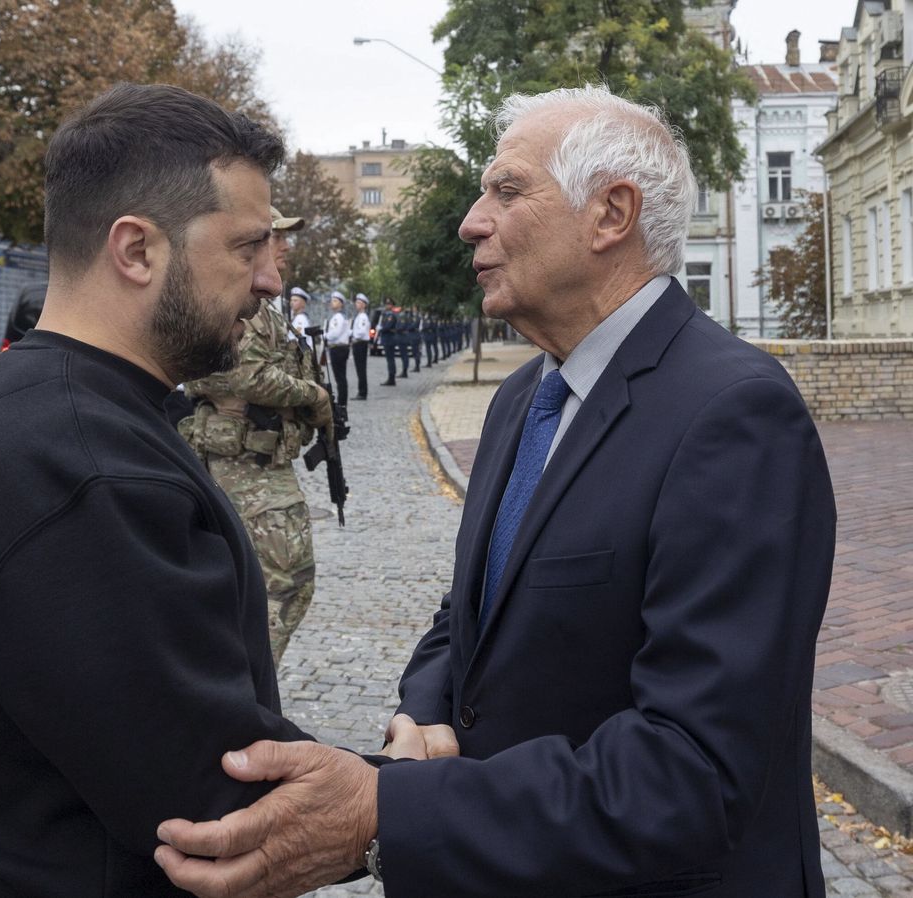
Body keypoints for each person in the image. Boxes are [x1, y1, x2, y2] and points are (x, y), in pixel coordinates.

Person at [154, 85, 836, 898]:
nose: (472, 220)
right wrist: (427, 714)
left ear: (610, 215)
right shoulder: (525, 398)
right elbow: (472, 611)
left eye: (506, 191)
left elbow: (693, 770)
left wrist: (389, 811)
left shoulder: (733, 414)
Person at [0, 83, 323, 896]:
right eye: (247, 246)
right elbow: (207, 803)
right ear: (136, 251)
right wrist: (405, 794)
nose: (271, 279)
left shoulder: (65, 405)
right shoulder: (81, 459)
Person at [181, 205, 331, 667]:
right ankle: (246, 686)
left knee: (264, 582)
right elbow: (241, 376)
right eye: (273, 236)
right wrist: (314, 396)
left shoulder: (265, 307)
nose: (284, 246)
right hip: (246, 467)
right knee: (286, 581)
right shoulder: (236, 302)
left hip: (258, 460)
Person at [323, 291, 351, 408]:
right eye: (332, 300)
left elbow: (335, 333)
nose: (332, 303)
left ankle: (342, 403)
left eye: (335, 301)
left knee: (340, 378)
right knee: (341, 377)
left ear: (341, 304)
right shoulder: (340, 316)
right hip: (340, 348)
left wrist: (324, 336)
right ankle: (342, 402)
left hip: (338, 349)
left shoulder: (337, 317)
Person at [350, 293, 371, 400]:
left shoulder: (363, 317)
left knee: (361, 369)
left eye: (359, 303)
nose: (356, 304)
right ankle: (361, 391)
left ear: (364, 305)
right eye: (356, 302)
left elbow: (361, 332)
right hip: (358, 343)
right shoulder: (359, 316)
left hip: (360, 344)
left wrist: (351, 334)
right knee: (359, 369)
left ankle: (362, 392)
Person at [378, 298, 399, 386]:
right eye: (386, 304)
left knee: (390, 359)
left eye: (389, 304)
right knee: (389, 359)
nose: (387, 306)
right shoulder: (386, 314)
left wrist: (381, 328)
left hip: (390, 339)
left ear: (392, 305)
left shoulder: (391, 315)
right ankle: (391, 377)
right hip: (387, 338)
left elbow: (387, 326)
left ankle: (391, 378)